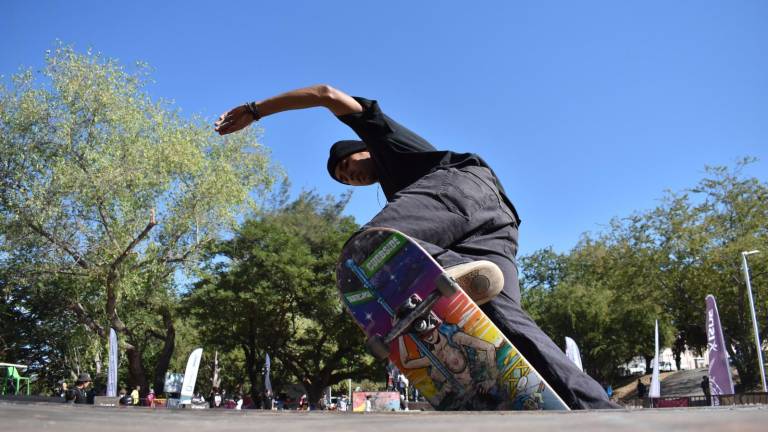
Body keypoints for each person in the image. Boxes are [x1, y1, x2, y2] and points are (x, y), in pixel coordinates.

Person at [215, 85, 618, 410]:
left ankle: (454, 269)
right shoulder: (402, 193)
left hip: (458, 187)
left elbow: (325, 94)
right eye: (344, 180)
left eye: (347, 166)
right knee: (505, 328)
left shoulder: (382, 135)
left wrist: (256, 109)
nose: (350, 176)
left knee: (370, 250)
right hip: (497, 225)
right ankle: (593, 404)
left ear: (361, 148)